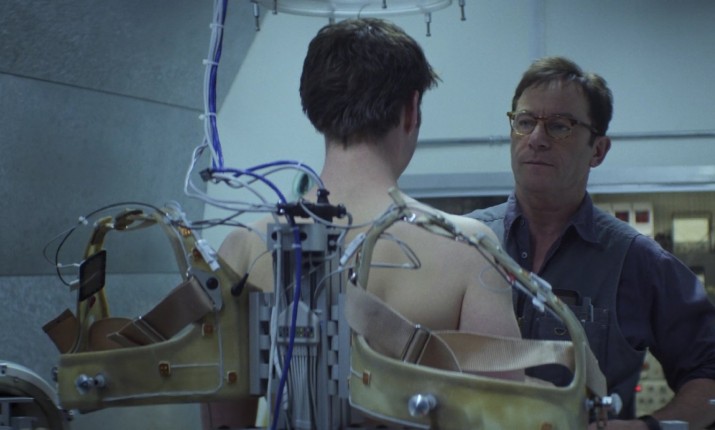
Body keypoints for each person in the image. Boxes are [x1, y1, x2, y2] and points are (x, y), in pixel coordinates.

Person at [202, 18, 523, 429]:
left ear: (314, 109)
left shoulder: (243, 248)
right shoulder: (468, 247)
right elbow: (505, 416)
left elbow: (223, 422)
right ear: (411, 110)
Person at [467, 55, 715, 429]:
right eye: (525, 122)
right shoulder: (464, 243)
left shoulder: (636, 261)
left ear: (597, 150)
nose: (536, 139)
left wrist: (649, 427)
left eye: (559, 126)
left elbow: (709, 369)